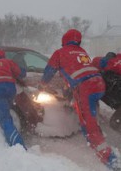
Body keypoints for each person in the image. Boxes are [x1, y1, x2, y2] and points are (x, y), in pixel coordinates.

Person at [39, 29, 119, 169]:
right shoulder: (82, 52)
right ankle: (97, 127)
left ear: (64, 41)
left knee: (89, 127)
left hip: (85, 87)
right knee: (90, 112)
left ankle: (111, 161)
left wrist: (42, 84)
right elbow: (80, 68)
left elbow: (49, 71)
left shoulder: (60, 52)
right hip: (99, 83)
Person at [0, 49, 27, 149]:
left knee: (4, 117)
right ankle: (4, 129)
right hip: (10, 89)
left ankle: (18, 146)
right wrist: (23, 69)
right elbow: (21, 73)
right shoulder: (8, 62)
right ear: (3, 56)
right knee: (4, 113)